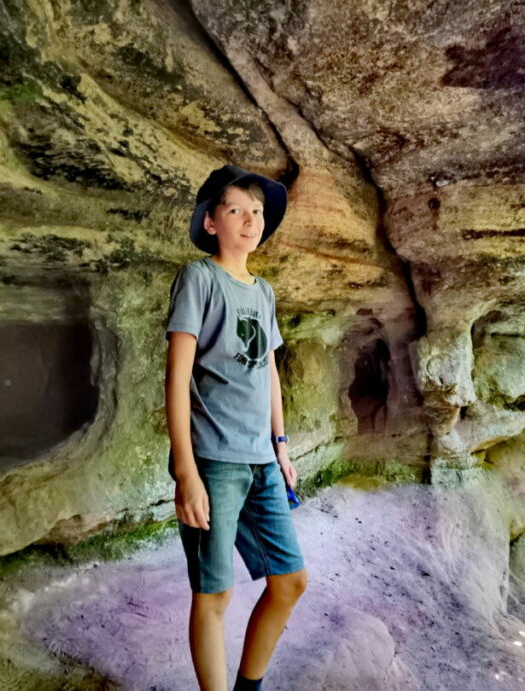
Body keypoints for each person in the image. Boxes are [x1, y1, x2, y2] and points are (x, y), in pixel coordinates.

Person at [164, 164, 308, 691]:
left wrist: (282, 446)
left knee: (290, 581)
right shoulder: (198, 279)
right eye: (236, 211)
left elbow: (269, 368)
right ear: (210, 222)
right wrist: (186, 471)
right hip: (213, 460)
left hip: (262, 458)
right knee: (214, 593)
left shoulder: (263, 292)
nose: (250, 222)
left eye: (258, 213)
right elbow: (176, 379)